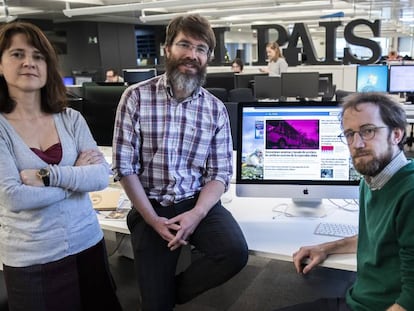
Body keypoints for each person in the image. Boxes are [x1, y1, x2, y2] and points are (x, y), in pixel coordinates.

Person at [112, 14, 249, 311]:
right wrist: (152, 218)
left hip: (195, 201)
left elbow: (220, 173)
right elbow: (125, 167)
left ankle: (165, 292)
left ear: (208, 57)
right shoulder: (135, 97)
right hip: (152, 206)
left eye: (201, 49)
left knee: (234, 252)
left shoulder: (215, 109)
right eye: (184, 44)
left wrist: (197, 214)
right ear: (167, 49)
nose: (192, 54)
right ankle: (157, 296)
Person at [0, 22, 122, 311]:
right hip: (32, 258)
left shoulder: (71, 119)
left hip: (88, 244)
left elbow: (100, 176)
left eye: (38, 56)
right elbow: (13, 197)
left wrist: (48, 177)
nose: (29, 62)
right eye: (17, 54)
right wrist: (74, 182)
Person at [274, 92, 414, 311]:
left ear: (396, 134)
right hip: (356, 301)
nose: (356, 144)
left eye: (368, 131)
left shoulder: (410, 192)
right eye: (349, 134)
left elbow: (410, 299)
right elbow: (378, 238)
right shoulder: (371, 180)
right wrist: (326, 247)